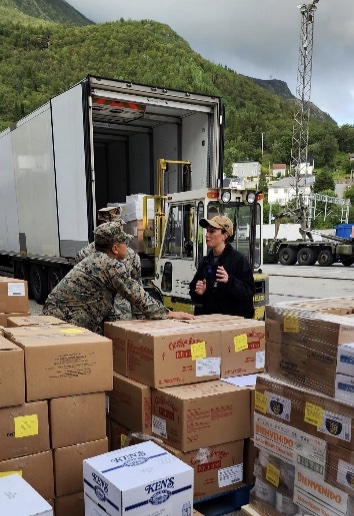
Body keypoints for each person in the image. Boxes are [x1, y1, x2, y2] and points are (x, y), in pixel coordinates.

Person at [43, 222, 194, 333]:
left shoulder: (95, 258)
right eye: (125, 243)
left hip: (55, 320)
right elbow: (137, 295)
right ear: (115, 248)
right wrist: (169, 314)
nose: (128, 246)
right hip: (64, 324)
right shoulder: (109, 266)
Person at [75, 206, 142, 319]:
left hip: (112, 320)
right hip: (105, 320)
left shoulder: (130, 255)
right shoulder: (84, 255)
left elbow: (136, 289)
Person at [189, 215, 255, 318]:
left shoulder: (238, 261)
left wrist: (229, 281)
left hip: (230, 326)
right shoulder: (206, 262)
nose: (207, 235)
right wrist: (199, 292)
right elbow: (194, 292)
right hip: (208, 324)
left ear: (225, 235)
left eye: (212, 231)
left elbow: (248, 294)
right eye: (207, 231)